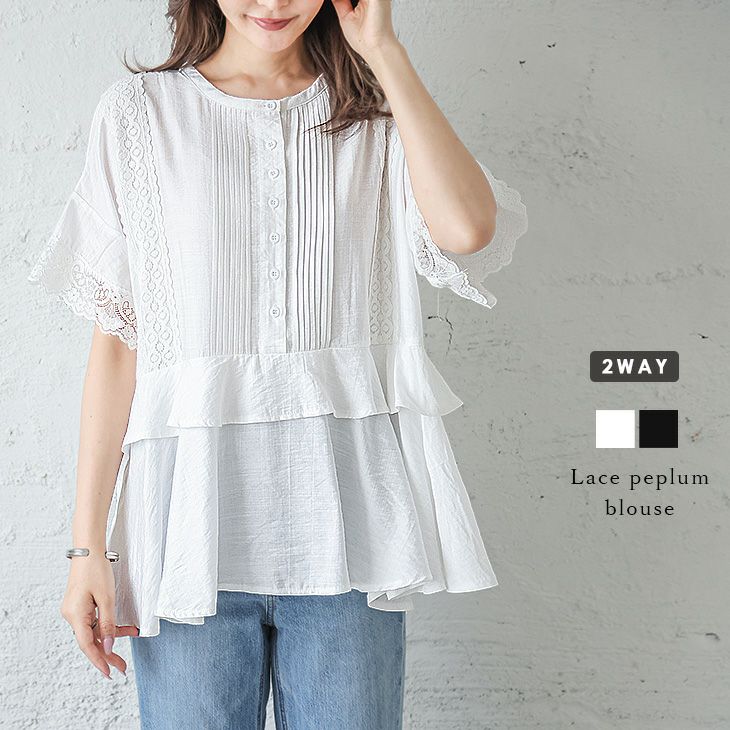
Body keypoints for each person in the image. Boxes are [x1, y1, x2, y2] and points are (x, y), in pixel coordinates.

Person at [27, 0, 528, 727]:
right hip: (187, 535)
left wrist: (384, 51)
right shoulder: (141, 114)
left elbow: (467, 228)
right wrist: (86, 551)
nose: (272, 3)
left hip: (349, 535)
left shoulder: (374, 113)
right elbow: (117, 345)